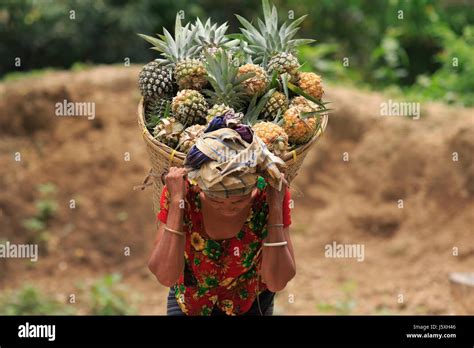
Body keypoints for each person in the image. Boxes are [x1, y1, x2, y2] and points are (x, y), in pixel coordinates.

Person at [148, 111, 296, 316]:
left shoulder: (269, 193)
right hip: (190, 304)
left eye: (239, 199)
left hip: (250, 305)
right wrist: (176, 203)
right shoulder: (183, 191)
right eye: (216, 199)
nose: (228, 207)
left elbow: (277, 281)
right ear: (199, 187)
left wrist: (276, 208)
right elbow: (165, 276)